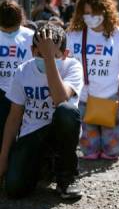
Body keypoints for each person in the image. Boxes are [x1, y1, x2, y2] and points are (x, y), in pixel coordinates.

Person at [0, 23, 83, 199]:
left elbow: (60, 99)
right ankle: (45, 167)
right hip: (33, 134)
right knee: (14, 190)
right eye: (40, 53)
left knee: (67, 111)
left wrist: (48, 58)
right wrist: (3, 157)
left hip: (59, 131)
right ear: (31, 50)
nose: (45, 57)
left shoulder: (72, 66)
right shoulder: (23, 70)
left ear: (65, 54)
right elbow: (14, 117)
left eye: (54, 54)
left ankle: (66, 177)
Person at [67, 0, 119, 160]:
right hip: (83, 98)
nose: (90, 17)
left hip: (111, 98)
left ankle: (109, 150)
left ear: (105, 11)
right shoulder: (73, 35)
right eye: (86, 13)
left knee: (111, 150)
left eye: (94, 12)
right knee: (88, 150)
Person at [0, 0, 34, 151]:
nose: (9, 34)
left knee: (22, 134)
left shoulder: (32, 36)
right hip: (1, 93)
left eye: (12, 30)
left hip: (24, 92)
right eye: (4, 30)